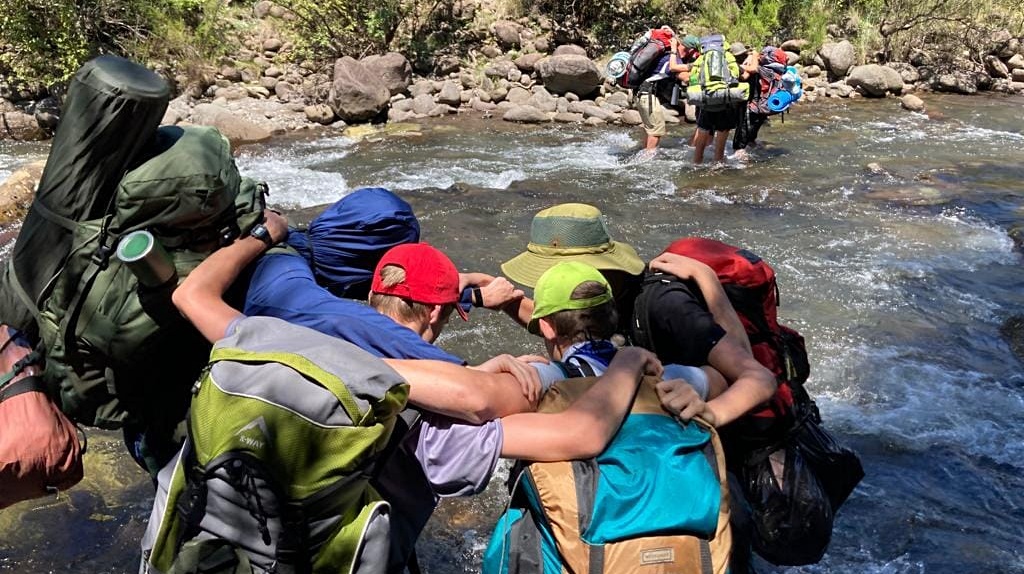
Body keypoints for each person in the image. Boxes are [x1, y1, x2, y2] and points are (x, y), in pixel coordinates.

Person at [168, 208, 666, 573]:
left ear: (371, 293)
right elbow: (582, 434)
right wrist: (625, 363)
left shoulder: (272, 338)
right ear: (435, 315)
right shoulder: (432, 417)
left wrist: (261, 235)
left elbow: (191, 294)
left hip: (223, 543)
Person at [501, 203, 776, 425]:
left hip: (720, 426)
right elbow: (562, 326)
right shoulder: (598, 298)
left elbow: (756, 376)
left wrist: (711, 413)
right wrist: (501, 301)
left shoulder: (664, 304)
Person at [634, 29, 701, 152]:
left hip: (642, 94)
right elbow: (685, 78)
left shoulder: (669, 56)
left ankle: (643, 151)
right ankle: (647, 159)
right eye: (695, 54)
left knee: (650, 128)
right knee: (657, 130)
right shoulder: (673, 61)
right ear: (691, 51)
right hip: (647, 95)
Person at [689, 36, 744, 164]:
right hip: (724, 103)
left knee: (701, 143)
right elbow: (735, 74)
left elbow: (693, 77)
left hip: (706, 103)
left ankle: (696, 164)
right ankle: (716, 168)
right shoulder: (728, 57)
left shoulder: (701, 57)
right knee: (720, 145)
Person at [730, 42, 760, 160]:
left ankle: (739, 150)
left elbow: (746, 75)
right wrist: (753, 55)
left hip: (747, 99)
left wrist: (752, 56)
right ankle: (748, 145)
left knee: (744, 124)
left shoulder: (738, 64)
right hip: (755, 99)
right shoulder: (751, 59)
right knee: (748, 124)